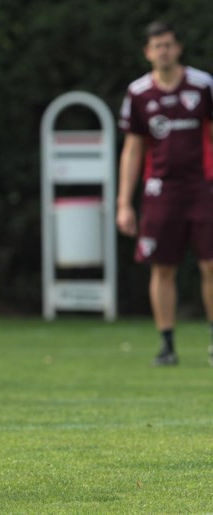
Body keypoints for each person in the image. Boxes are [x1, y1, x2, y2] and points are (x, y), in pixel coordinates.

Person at [117, 20, 213, 366]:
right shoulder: (139, 93)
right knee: (162, 268)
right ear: (147, 52)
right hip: (160, 191)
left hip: (203, 187)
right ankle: (167, 344)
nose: (163, 51)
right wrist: (123, 203)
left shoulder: (203, 86)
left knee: (210, 264)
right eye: (157, 46)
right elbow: (132, 149)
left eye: (169, 45)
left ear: (178, 48)